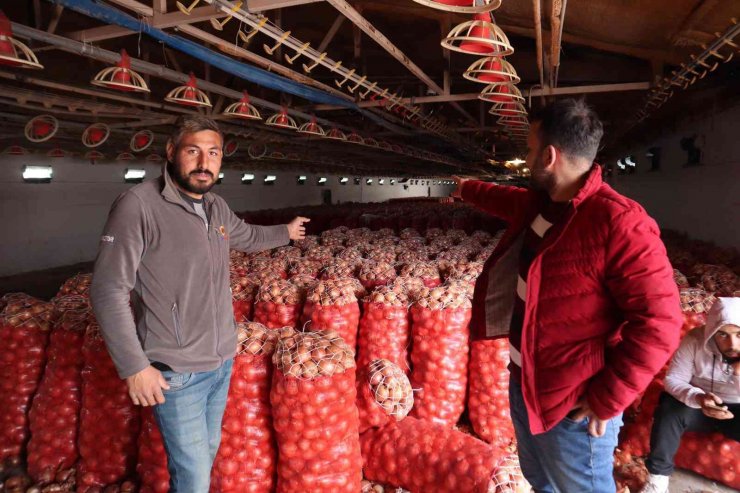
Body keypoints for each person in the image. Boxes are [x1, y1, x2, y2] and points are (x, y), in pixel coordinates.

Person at [453, 98, 682, 492]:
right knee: (541, 480)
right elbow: (504, 199)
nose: (525, 159)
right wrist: (464, 189)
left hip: (573, 404)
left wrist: (607, 399)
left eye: (528, 149)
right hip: (525, 384)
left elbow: (661, 324)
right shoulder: (545, 204)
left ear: (549, 155)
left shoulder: (620, 222)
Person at [90, 115, 309, 492]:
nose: (204, 163)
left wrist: (286, 233)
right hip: (177, 370)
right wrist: (134, 366)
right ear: (172, 152)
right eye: (193, 152)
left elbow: (247, 235)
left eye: (214, 153)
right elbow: (108, 289)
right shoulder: (139, 205)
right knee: (191, 477)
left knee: (205, 457)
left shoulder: (216, 208)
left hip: (221, 361)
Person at [640, 297, 740, 493]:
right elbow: (673, 379)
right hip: (698, 405)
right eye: (722, 335)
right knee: (669, 410)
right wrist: (699, 398)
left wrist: (738, 375)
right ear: (711, 331)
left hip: (737, 410)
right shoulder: (695, 339)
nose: (732, 344)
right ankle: (658, 480)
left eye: (739, 334)